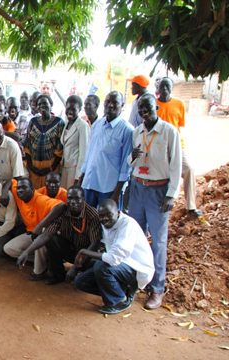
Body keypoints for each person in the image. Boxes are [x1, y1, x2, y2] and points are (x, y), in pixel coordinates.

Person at [127, 93, 182, 309]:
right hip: (138, 186)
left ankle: (157, 290)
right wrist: (133, 156)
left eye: (147, 107)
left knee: (158, 242)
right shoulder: (137, 132)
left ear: (156, 107)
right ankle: (134, 281)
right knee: (136, 237)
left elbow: (176, 165)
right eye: (140, 108)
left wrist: (171, 194)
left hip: (159, 190)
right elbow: (132, 162)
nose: (144, 111)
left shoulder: (169, 132)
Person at [72, 199, 155, 315]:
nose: (104, 219)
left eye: (108, 215)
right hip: (118, 266)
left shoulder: (128, 225)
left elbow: (113, 258)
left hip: (135, 268)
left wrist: (85, 252)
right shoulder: (107, 224)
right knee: (81, 282)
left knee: (100, 267)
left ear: (117, 212)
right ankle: (121, 290)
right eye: (101, 216)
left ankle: (118, 301)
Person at [15, 186, 102, 285]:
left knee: (94, 270)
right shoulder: (63, 213)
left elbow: (95, 244)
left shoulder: (93, 216)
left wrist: (75, 267)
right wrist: (27, 251)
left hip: (86, 254)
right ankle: (58, 274)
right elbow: (47, 234)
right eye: (70, 198)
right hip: (70, 250)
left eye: (77, 198)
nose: (73, 202)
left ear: (83, 199)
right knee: (52, 239)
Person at [2, 177, 67, 279]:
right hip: (31, 233)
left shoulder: (40, 199)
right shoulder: (19, 195)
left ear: (32, 190)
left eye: (24, 188)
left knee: (40, 239)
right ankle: (47, 260)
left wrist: (40, 225)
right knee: (9, 248)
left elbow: (61, 205)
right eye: (19, 188)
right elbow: (11, 180)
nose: (20, 190)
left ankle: (39, 271)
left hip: (46, 234)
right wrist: (5, 192)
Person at [156, 77, 202, 216]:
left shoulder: (179, 104)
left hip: (177, 144)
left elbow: (179, 125)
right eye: (162, 86)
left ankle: (191, 207)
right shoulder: (154, 104)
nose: (165, 89)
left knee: (189, 169)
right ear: (157, 88)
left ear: (172, 88)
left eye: (168, 86)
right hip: (158, 145)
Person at [79, 91, 133, 208]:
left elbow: (126, 166)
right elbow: (90, 153)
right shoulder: (97, 124)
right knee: (88, 220)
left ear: (122, 105)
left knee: (107, 223)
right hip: (90, 182)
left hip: (109, 188)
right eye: (108, 101)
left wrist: (117, 193)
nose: (111, 105)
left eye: (115, 102)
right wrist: (81, 177)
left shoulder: (127, 130)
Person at [23, 94, 64, 189]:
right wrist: (32, 167)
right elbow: (27, 146)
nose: (42, 107)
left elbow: (60, 148)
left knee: (49, 193)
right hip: (34, 166)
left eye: (45, 104)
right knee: (35, 194)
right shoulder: (33, 122)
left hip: (51, 166)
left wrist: (51, 168)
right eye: (39, 104)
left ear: (51, 105)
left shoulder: (59, 122)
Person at [60, 95, 91, 189]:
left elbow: (84, 152)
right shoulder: (66, 124)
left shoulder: (82, 125)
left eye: (73, 109)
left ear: (79, 109)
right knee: (62, 195)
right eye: (68, 108)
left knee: (70, 195)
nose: (70, 111)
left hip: (74, 168)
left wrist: (79, 175)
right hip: (64, 167)